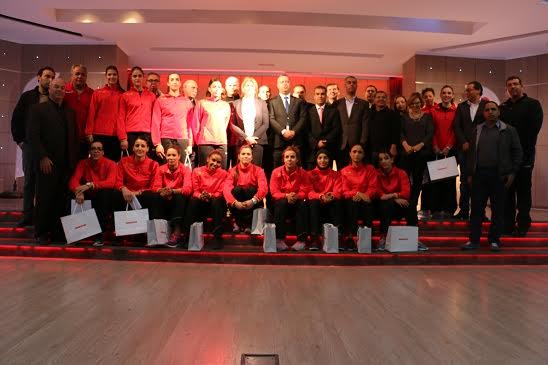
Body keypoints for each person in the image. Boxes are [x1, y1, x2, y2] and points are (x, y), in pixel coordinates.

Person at [462, 101, 522, 252]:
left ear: (499, 112)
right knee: (476, 210)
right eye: (487, 110)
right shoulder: (477, 129)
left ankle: (494, 240)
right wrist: (470, 173)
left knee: (498, 209)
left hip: (499, 175)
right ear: (484, 113)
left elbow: (517, 152)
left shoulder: (509, 130)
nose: (490, 112)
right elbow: (471, 154)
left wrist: (512, 172)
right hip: (479, 175)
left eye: (493, 109)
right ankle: (473, 240)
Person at [27, 78, 79, 243]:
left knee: (61, 200)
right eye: (56, 87)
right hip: (47, 163)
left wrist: (73, 162)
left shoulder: (70, 112)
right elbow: (33, 136)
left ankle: (57, 232)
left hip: (66, 164)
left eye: (62, 88)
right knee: (45, 198)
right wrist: (42, 156)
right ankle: (41, 232)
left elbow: (74, 137)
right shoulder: (38, 109)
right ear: (49, 89)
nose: (59, 90)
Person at [11, 66, 56, 227]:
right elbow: (16, 120)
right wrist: (21, 142)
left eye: (52, 77)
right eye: (47, 76)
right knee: (30, 181)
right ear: (39, 77)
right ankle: (27, 215)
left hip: (48, 148)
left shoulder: (54, 98)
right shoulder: (27, 97)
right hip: (30, 146)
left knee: (45, 183)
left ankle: (41, 215)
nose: (49, 80)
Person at [500, 76, 544, 236]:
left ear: (522, 86)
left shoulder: (533, 105)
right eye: (509, 85)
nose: (513, 87)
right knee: (507, 193)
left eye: (515, 84)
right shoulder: (503, 107)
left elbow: (533, 131)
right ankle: (508, 225)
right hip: (506, 158)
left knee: (524, 191)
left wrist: (516, 148)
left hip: (525, 156)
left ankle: (523, 224)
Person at [69, 140, 117, 246]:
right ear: (90, 151)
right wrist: (78, 192)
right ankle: (76, 233)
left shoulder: (111, 164)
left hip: (103, 194)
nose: (96, 151)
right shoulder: (83, 162)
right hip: (89, 193)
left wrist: (90, 185)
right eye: (93, 149)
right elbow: (74, 180)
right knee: (69, 195)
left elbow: (111, 182)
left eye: (99, 149)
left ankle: (99, 235)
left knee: (104, 195)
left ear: (103, 152)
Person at [376, 151, 427, 251]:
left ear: (392, 160)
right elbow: (379, 195)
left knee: (410, 205)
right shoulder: (376, 174)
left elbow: (406, 193)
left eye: (386, 158)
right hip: (383, 206)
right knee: (386, 204)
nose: (383, 161)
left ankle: (414, 238)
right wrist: (395, 197)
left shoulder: (401, 173)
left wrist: (391, 196)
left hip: (398, 205)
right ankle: (383, 238)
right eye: (380, 159)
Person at [453, 81, 487, 220]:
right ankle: (463, 210)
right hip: (465, 150)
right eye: (466, 90)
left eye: (470, 90)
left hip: (482, 150)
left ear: (479, 91)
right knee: (464, 182)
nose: (467, 92)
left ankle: (480, 213)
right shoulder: (461, 107)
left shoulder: (486, 107)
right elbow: (457, 127)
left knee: (481, 182)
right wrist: (463, 142)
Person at [182, 150, 228, 249]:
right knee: (193, 200)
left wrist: (210, 195)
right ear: (207, 159)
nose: (215, 163)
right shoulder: (197, 171)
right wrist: (201, 196)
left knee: (218, 200)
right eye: (213, 160)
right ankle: (188, 236)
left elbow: (221, 192)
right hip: (201, 201)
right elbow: (195, 191)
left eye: (218, 162)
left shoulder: (224, 174)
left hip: (215, 203)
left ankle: (217, 237)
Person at [400, 93, 434, 222]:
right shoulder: (404, 117)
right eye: (413, 103)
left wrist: (420, 145)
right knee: (405, 182)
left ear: (421, 103)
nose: (415, 105)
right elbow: (400, 132)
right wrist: (405, 145)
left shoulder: (427, 116)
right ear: (409, 104)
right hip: (406, 153)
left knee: (419, 182)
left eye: (418, 103)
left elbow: (430, 133)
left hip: (422, 153)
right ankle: (406, 207)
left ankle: (413, 205)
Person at [269, 146, 310, 251]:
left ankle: (301, 240)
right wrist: (286, 196)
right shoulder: (275, 172)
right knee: (281, 202)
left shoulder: (303, 173)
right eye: (287, 157)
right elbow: (274, 192)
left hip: (297, 202)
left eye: (292, 157)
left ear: (297, 159)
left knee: (303, 203)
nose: (289, 159)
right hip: (281, 204)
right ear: (283, 159)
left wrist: (296, 196)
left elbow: (305, 190)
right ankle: (279, 239)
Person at [114, 136, 161, 222]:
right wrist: (124, 189)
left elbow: (155, 186)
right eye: (137, 145)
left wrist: (138, 193)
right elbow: (118, 181)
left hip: (144, 194)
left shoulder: (154, 164)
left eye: (143, 146)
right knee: (115, 193)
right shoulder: (123, 161)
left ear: (147, 149)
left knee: (153, 195)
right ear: (133, 148)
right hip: (126, 194)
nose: (140, 148)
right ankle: (117, 228)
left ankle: (149, 227)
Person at [340, 144, 377, 251]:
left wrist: (364, 196)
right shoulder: (344, 171)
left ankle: (367, 238)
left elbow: (373, 188)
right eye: (354, 151)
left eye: (360, 152)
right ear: (350, 154)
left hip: (366, 199)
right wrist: (358, 194)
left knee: (367, 204)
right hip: (351, 200)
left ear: (364, 154)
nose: (357, 154)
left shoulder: (370, 169)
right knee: (351, 204)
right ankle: (350, 238)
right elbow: (344, 191)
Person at [223, 145, 268, 234]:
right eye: (243, 154)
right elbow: (226, 188)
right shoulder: (232, 171)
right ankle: (238, 223)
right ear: (239, 156)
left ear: (251, 157)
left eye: (248, 154)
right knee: (237, 190)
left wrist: (253, 201)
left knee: (250, 189)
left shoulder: (259, 170)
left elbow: (264, 188)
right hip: (238, 202)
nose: (246, 156)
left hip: (252, 201)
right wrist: (234, 202)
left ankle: (248, 224)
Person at [154, 146, 192, 247]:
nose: (171, 157)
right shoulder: (160, 169)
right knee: (154, 196)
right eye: (169, 155)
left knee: (180, 197)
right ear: (166, 156)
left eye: (174, 155)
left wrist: (173, 191)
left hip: (178, 199)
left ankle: (177, 232)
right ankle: (159, 233)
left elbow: (188, 189)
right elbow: (155, 187)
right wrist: (162, 191)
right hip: (164, 198)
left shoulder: (185, 170)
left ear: (179, 156)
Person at [151, 73, 194, 164]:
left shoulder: (187, 101)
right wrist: (157, 143)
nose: (175, 82)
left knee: (181, 168)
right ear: (168, 83)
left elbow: (190, 125)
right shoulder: (160, 100)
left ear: (180, 83)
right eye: (172, 80)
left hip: (182, 138)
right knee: (166, 167)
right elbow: (155, 123)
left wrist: (190, 144)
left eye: (177, 79)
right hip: (166, 138)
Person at [429, 85, 458, 219]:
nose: (446, 95)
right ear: (440, 95)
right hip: (436, 150)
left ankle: (449, 209)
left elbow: (455, 130)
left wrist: (448, 147)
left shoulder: (456, 111)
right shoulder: (434, 110)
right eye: (444, 93)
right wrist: (435, 146)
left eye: (449, 93)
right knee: (435, 181)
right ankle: (435, 209)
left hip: (450, 151)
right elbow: (432, 130)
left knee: (449, 181)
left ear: (452, 95)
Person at [86, 65, 124, 162]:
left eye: (114, 74)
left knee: (114, 163)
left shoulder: (123, 94)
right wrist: (89, 132)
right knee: (98, 162)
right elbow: (91, 113)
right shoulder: (97, 93)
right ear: (106, 76)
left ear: (118, 76)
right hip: (99, 133)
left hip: (116, 135)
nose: (112, 77)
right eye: (109, 74)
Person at [268, 74, 307, 168]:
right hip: (278, 142)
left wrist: (294, 131)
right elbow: (271, 118)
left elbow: (303, 118)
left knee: (296, 170)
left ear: (290, 84)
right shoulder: (272, 102)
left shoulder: (298, 102)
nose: (285, 84)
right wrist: (283, 131)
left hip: (295, 141)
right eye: (282, 82)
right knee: (278, 170)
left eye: (287, 82)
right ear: (277, 85)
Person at [192, 78, 231, 168]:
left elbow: (225, 123)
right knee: (205, 170)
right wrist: (199, 141)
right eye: (214, 87)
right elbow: (196, 124)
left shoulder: (226, 105)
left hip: (221, 142)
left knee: (222, 171)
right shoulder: (202, 103)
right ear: (209, 89)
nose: (217, 89)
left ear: (222, 89)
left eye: (219, 87)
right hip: (205, 142)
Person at [307, 150, 342, 250]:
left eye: (325, 158)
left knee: (338, 201)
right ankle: (314, 238)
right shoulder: (309, 174)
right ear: (316, 160)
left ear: (329, 159)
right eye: (320, 158)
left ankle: (336, 237)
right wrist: (321, 196)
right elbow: (309, 192)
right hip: (317, 201)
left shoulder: (336, 174)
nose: (323, 160)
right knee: (313, 203)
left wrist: (331, 196)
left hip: (331, 201)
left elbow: (338, 191)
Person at [117, 66, 156, 156]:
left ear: (143, 77)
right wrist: (123, 138)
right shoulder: (125, 96)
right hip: (131, 134)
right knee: (131, 161)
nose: (137, 78)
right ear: (131, 78)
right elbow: (121, 117)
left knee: (146, 161)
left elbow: (155, 118)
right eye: (134, 76)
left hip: (147, 133)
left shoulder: (151, 96)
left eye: (139, 76)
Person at [231, 77, 270, 165]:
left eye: (252, 86)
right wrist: (246, 137)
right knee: (239, 171)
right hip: (241, 141)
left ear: (255, 89)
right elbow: (232, 124)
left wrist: (252, 138)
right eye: (247, 85)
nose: (249, 87)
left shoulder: (262, 103)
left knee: (256, 170)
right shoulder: (235, 103)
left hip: (257, 141)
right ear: (243, 88)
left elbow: (265, 123)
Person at [336, 76, 369, 167]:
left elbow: (365, 125)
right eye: (349, 82)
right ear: (345, 85)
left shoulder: (364, 104)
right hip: (341, 144)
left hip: (357, 144)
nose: (351, 84)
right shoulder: (337, 103)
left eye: (354, 82)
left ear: (357, 86)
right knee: (341, 172)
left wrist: (362, 143)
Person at [306, 85, 341, 168]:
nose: (320, 96)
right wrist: (316, 143)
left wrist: (325, 142)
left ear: (326, 95)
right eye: (317, 94)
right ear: (314, 96)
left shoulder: (333, 111)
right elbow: (306, 130)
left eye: (322, 94)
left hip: (328, 149)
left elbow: (336, 129)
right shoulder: (308, 111)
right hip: (312, 150)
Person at [64, 64, 94, 158]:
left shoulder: (92, 93)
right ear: (72, 75)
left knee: (82, 167)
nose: (80, 76)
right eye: (77, 74)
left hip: (84, 139)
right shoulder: (63, 90)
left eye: (83, 74)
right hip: (66, 138)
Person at [367, 90, 400, 164]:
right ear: (374, 99)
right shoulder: (369, 113)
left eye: (383, 97)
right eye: (378, 97)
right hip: (372, 149)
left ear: (387, 100)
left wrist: (393, 146)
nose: (381, 99)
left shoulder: (393, 114)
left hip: (387, 149)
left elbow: (396, 131)